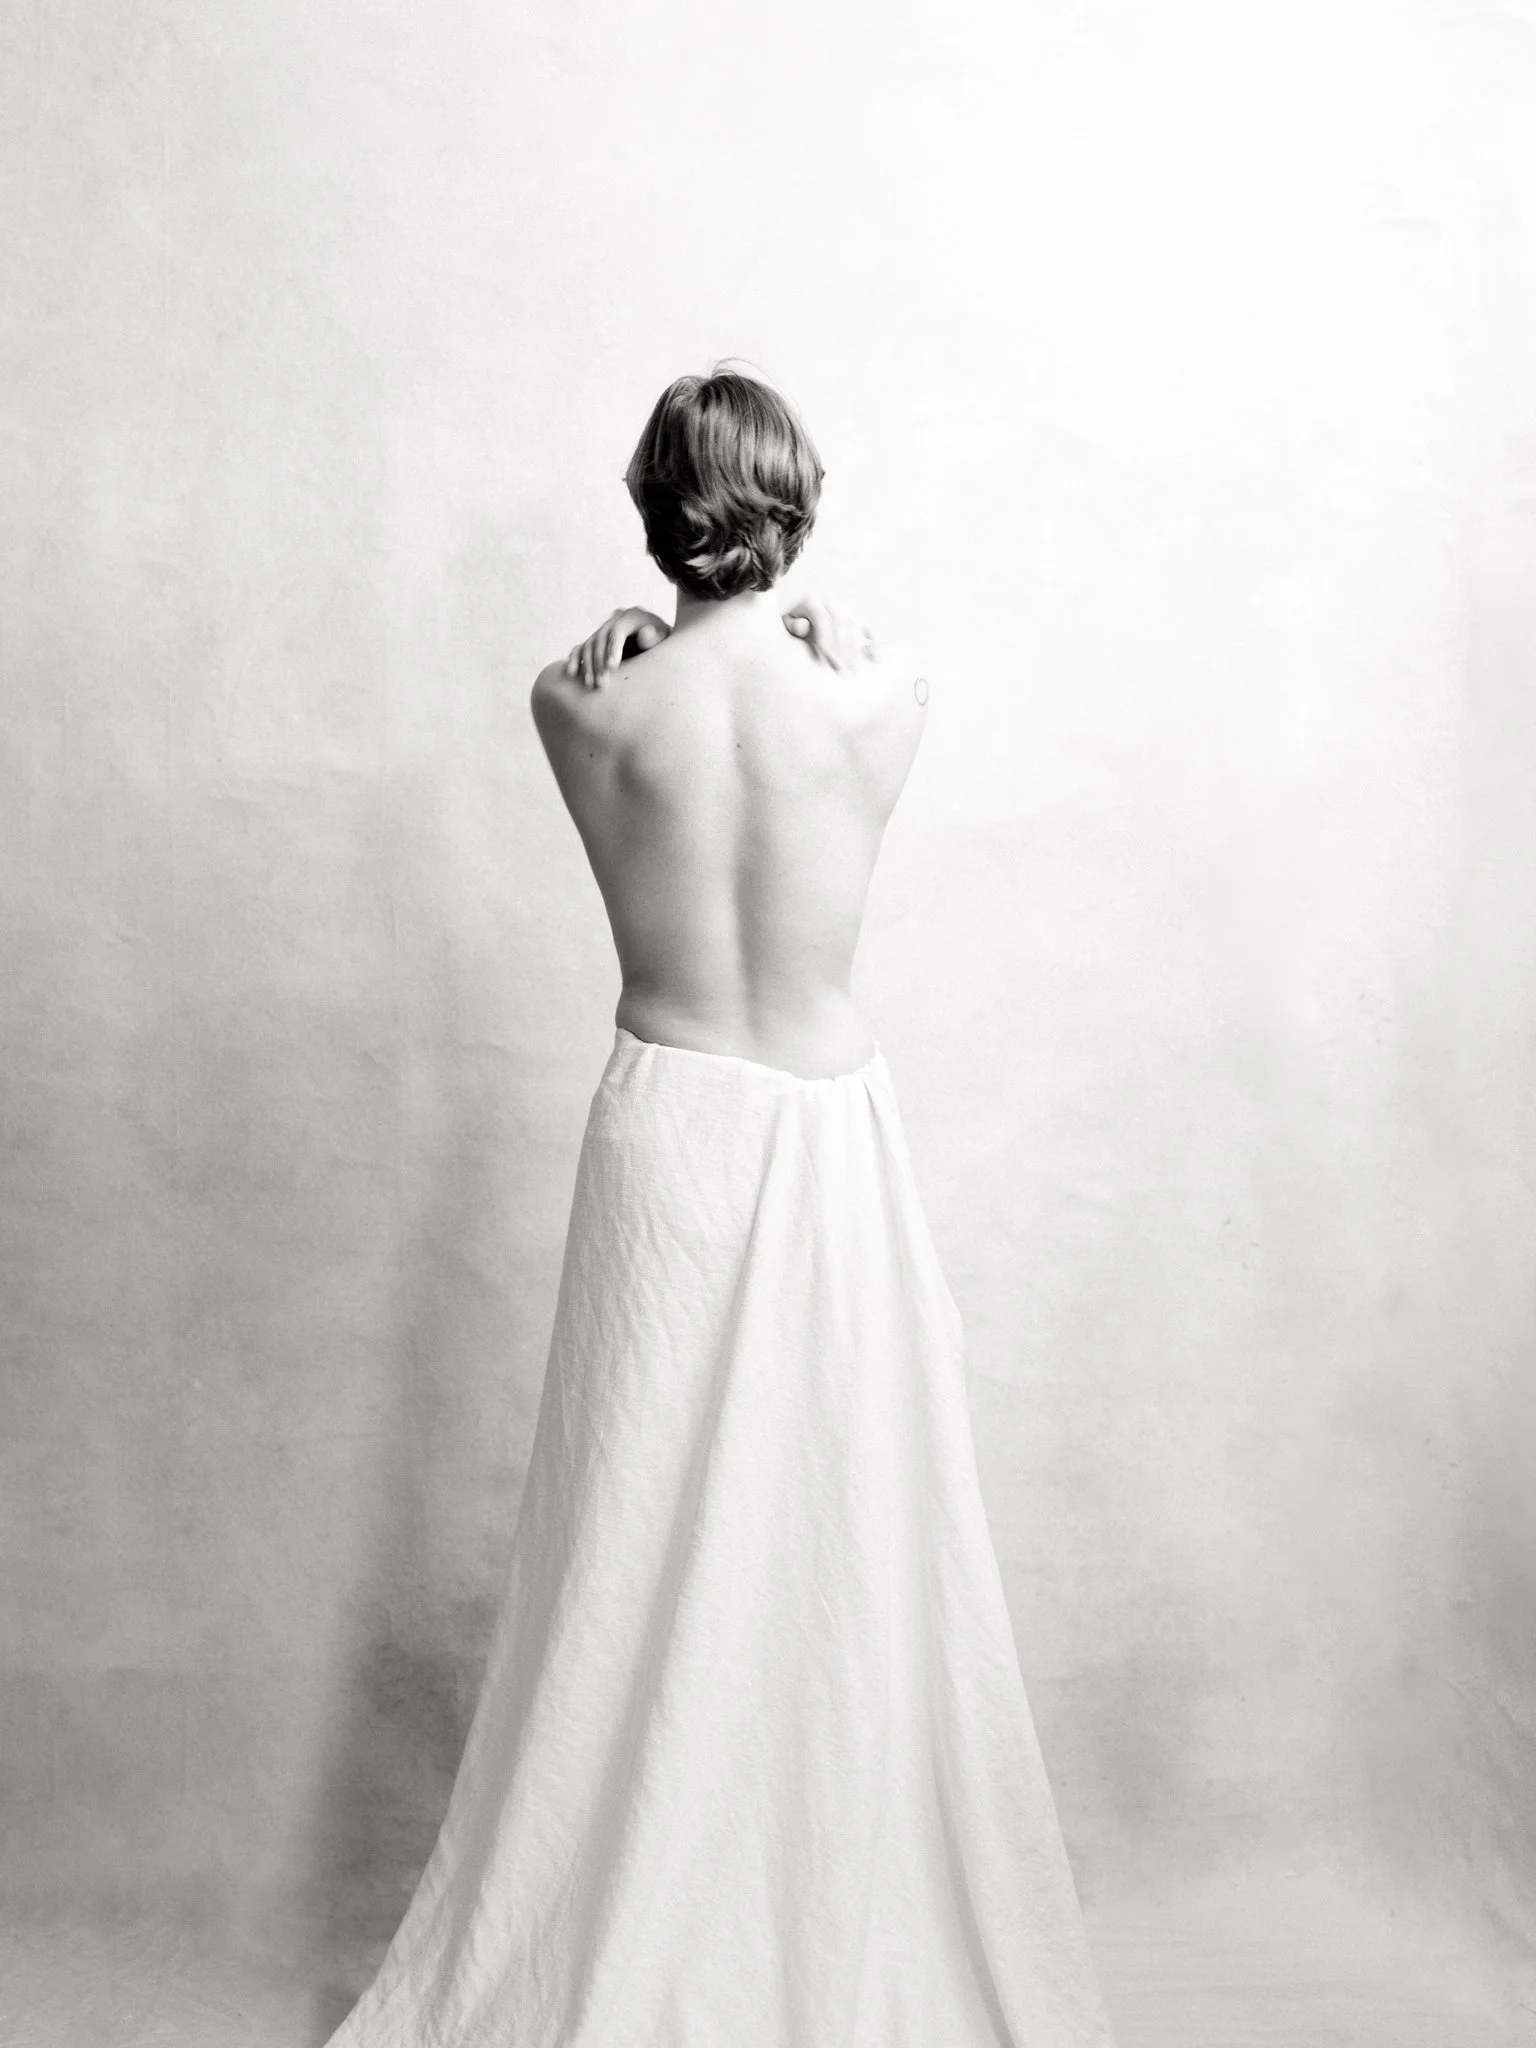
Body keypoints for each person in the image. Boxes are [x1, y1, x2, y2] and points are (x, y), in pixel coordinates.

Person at [325, 367, 1117, 2045]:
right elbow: (889, 670)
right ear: (796, 508)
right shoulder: (881, 708)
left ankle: (648, 1901)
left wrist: (612, 636)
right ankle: (809, 1890)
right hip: (828, 1136)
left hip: (668, 1128)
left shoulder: (581, 714)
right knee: (842, 1519)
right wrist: (836, 642)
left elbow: (562, 681)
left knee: (635, 1515)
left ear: (652, 509)